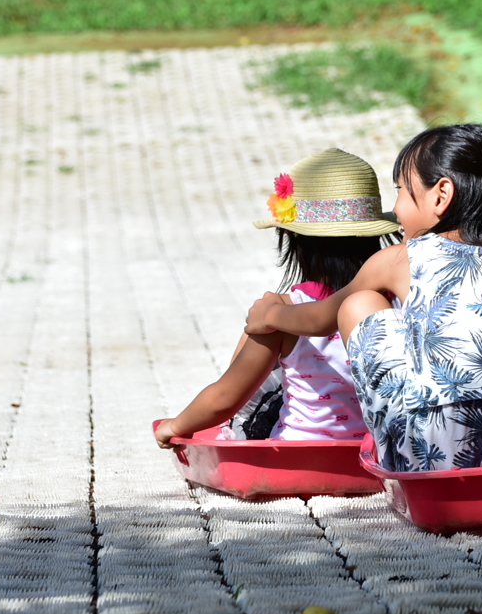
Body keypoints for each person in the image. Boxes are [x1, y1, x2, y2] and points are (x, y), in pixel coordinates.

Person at [245, 124, 482, 471]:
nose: (398, 206)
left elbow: (321, 317)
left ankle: (402, 451)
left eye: (402, 189)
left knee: (360, 304)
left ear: (441, 195)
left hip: (438, 452)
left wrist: (272, 315)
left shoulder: (401, 258)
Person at [154, 148, 400, 449]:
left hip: (298, 450)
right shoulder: (396, 302)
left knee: (257, 329)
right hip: (376, 451)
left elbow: (225, 399)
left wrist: (174, 426)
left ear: (293, 240)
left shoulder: (287, 311)